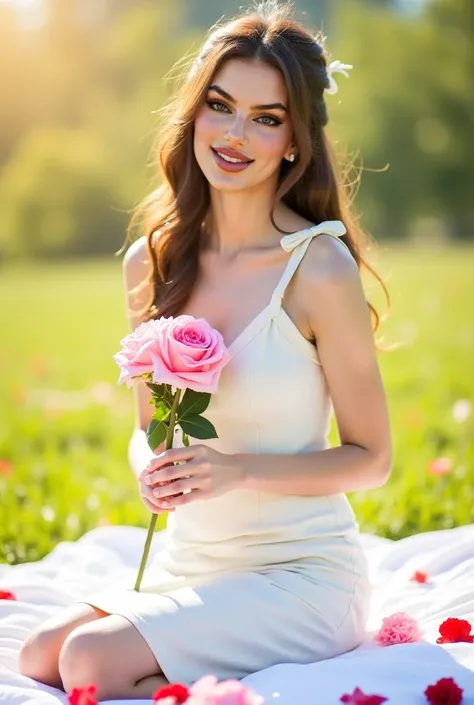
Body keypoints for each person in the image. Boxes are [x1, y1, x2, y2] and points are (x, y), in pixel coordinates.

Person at [19, 1, 392, 699]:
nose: (234, 133)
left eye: (266, 116)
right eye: (220, 105)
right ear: (193, 113)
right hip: (194, 564)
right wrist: (150, 468)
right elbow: (143, 429)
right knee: (42, 653)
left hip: (300, 575)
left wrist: (236, 470)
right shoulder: (149, 261)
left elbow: (372, 459)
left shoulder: (317, 268)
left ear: (295, 140)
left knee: (91, 663)